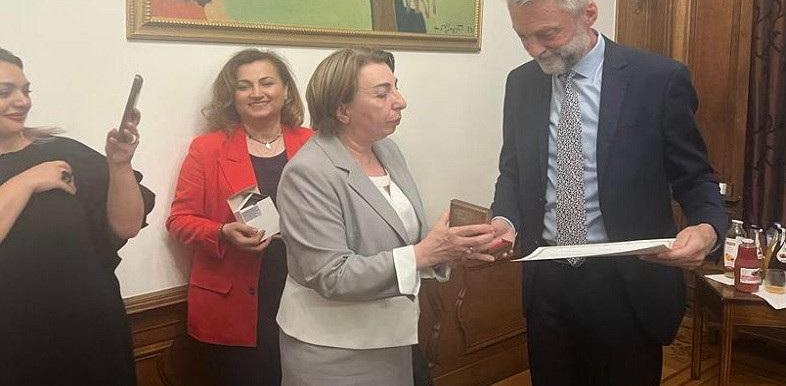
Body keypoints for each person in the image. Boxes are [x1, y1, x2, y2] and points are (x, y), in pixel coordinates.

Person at [490, 0, 727, 385]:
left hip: (628, 286)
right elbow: (513, 172)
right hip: (547, 284)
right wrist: (504, 220)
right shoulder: (521, 83)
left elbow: (695, 178)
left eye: (548, 34)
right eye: (523, 37)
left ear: (589, 13)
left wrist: (708, 229)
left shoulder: (658, 80)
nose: (535, 50)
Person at [275, 47, 502, 386]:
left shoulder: (386, 149)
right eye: (382, 94)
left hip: (394, 336)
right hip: (335, 351)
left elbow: (404, 242)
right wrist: (424, 254)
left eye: (396, 87)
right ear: (342, 110)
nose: (401, 101)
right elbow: (331, 274)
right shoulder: (308, 173)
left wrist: (450, 250)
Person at [0, 47, 155, 385]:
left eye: (25, 90)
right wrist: (27, 181)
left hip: (91, 331)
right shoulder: (41, 168)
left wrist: (120, 165)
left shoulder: (64, 152)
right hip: (14, 341)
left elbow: (126, 226)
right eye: (5, 92)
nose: (22, 101)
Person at [167, 49, 312, 385]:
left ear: (286, 90)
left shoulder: (314, 143)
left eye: (266, 83)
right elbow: (179, 220)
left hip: (304, 291)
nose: (256, 93)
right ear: (232, 96)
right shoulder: (207, 149)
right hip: (235, 301)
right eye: (244, 86)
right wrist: (222, 232)